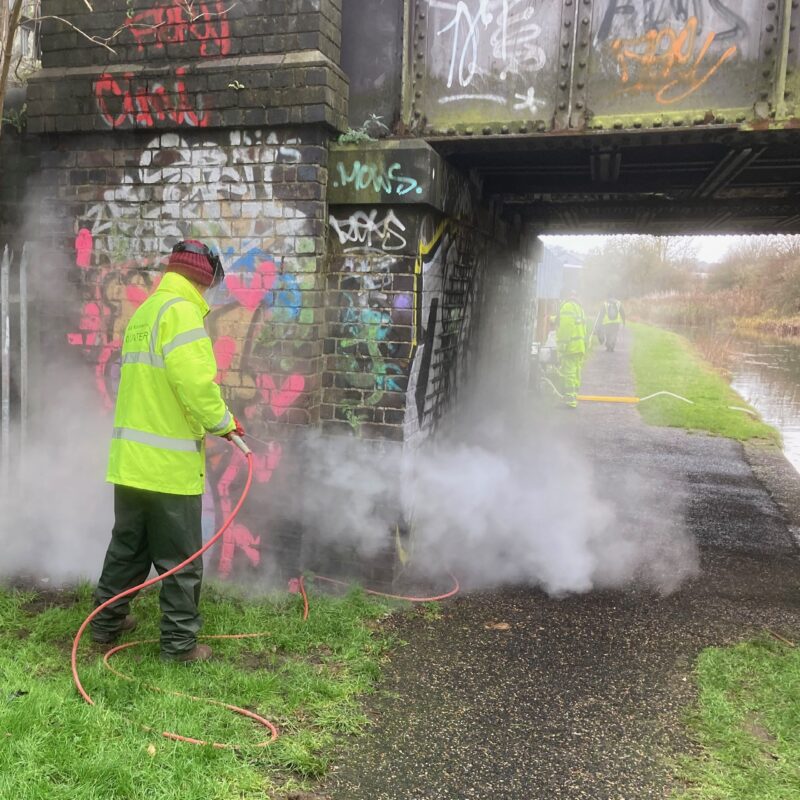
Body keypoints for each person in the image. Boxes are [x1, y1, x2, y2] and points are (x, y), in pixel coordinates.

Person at [91, 240, 244, 663]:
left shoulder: (146, 311)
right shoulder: (182, 313)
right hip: (168, 467)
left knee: (128, 549)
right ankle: (179, 647)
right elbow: (194, 384)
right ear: (206, 277)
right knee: (180, 560)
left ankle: (105, 623)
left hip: (130, 463)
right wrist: (225, 425)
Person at [555, 289, 587, 408]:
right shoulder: (579, 308)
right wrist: (553, 319)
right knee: (576, 372)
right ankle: (574, 395)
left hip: (570, 347)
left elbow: (565, 328)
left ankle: (570, 399)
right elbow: (580, 326)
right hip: (579, 346)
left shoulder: (567, 307)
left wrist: (562, 346)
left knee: (569, 373)